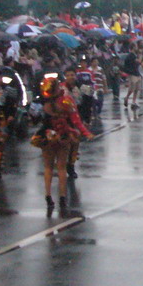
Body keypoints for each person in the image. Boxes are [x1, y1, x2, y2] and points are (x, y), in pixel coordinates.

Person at [32, 75, 92, 215]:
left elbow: (34, 118)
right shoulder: (66, 101)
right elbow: (76, 120)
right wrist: (85, 132)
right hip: (63, 136)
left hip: (46, 136)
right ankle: (62, 197)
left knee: (47, 167)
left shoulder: (41, 103)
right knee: (61, 167)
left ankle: (48, 196)